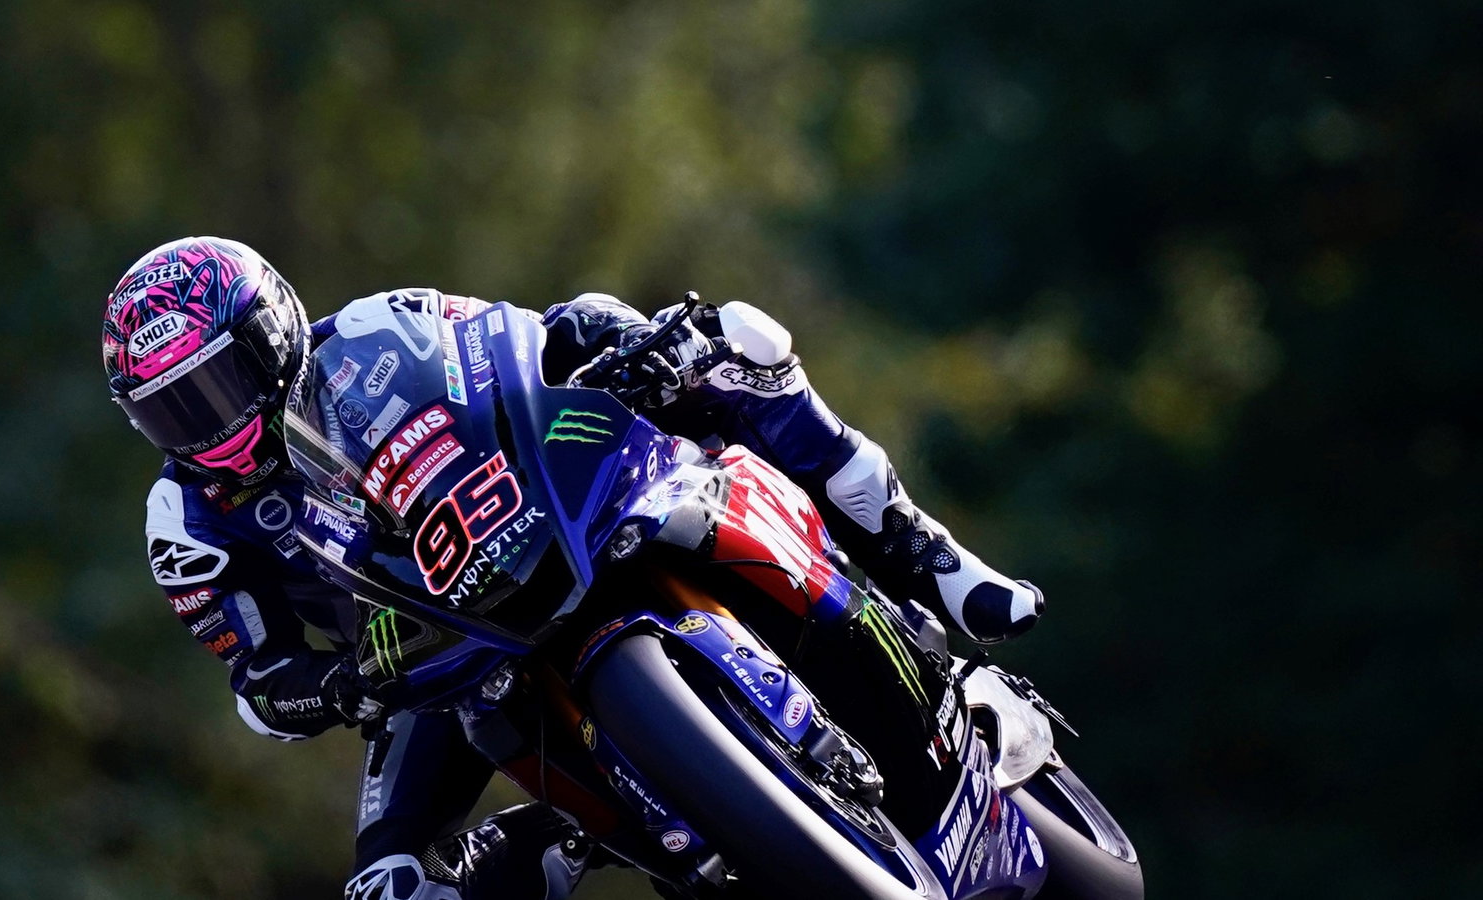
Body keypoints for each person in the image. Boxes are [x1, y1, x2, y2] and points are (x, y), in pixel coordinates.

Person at [102, 236, 1043, 900]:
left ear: (272, 336)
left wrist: (630, 348)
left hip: (553, 517)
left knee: (737, 344)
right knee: (388, 887)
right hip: (429, 661)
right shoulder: (185, 521)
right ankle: (569, 841)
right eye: (171, 412)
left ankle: (927, 559)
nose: (207, 427)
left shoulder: (378, 332)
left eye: (215, 387)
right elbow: (259, 681)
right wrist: (338, 687)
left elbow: (530, 343)